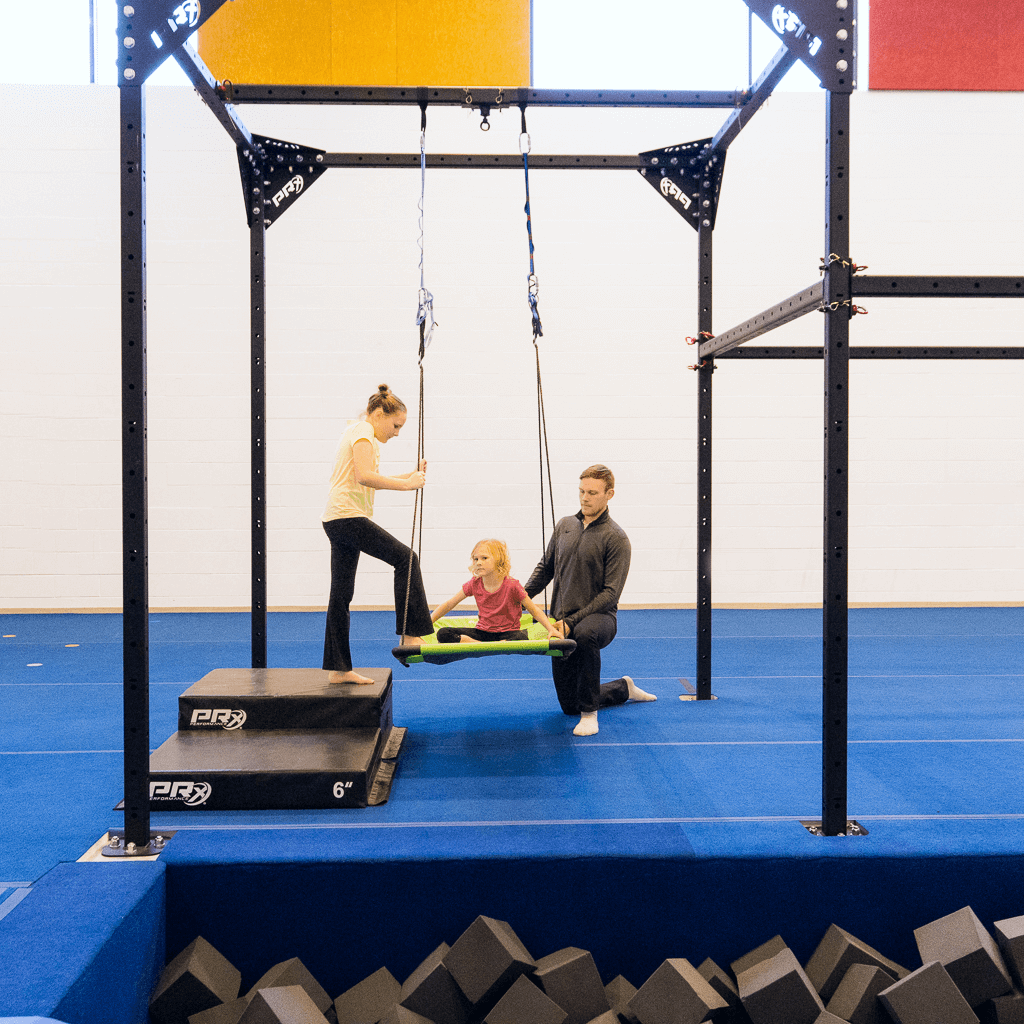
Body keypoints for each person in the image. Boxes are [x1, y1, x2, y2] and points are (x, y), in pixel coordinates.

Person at [525, 465, 656, 736]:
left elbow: (610, 594)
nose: (585, 498)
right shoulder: (565, 525)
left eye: (593, 493)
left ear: (609, 494)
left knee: (584, 635)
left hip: (600, 619)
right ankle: (623, 688)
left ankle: (590, 714)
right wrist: (520, 598)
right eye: (582, 491)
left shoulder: (616, 538)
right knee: (568, 705)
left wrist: (572, 621)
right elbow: (545, 568)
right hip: (561, 620)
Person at [322, 384, 432, 684]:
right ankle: (410, 635)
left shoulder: (359, 432)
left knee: (340, 596)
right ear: (379, 415)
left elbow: (366, 476)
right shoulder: (363, 434)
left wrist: (407, 477)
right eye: (396, 425)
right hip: (347, 518)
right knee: (406, 558)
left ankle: (338, 668)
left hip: (337, 518)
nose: (397, 433)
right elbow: (365, 476)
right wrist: (407, 486)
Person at [430, 539, 561, 644]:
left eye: (484, 558)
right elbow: (449, 604)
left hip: (509, 632)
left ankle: (496, 643)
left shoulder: (512, 585)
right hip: (482, 633)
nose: (478, 563)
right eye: (476, 559)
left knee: (521, 637)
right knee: (443, 633)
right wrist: (429, 622)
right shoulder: (474, 583)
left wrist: (550, 629)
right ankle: (478, 644)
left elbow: (533, 610)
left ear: (498, 560)